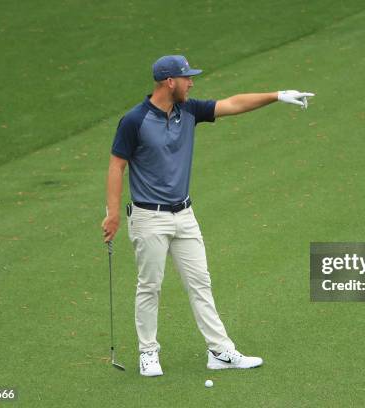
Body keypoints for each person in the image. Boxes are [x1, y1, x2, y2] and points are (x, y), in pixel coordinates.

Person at [101, 55, 314, 377]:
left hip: (184, 214)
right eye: (187, 78)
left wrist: (277, 96)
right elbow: (117, 165)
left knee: (201, 283)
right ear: (169, 82)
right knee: (150, 286)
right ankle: (148, 353)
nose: (192, 82)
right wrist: (113, 213)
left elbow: (233, 104)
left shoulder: (188, 110)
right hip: (149, 218)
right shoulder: (135, 120)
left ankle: (220, 351)